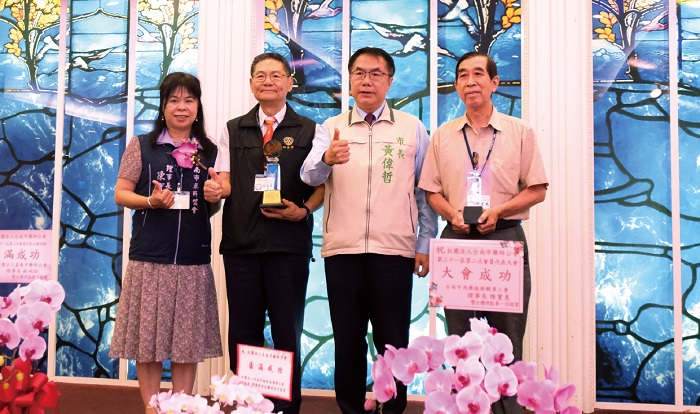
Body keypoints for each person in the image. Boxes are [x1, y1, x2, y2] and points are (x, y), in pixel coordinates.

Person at [301, 47, 438, 414]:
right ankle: (350, 409)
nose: (367, 80)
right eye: (359, 73)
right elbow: (308, 176)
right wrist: (326, 159)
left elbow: (425, 190)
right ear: (349, 81)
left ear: (389, 81)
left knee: (393, 343)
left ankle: (392, 409)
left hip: (394, 250)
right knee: (347, 340)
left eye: (376, 73)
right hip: (343, 250)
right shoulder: (331, 127)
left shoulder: (412, 127)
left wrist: (425, 243)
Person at [418, 51, 548, 414]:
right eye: (463, 75)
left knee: (506, 342)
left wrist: (500, 211)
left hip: (503, 239)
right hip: (457, 240)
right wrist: (452, 215)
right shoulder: (443, 136)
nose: (470, 81)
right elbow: (431, 192)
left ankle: (508, 410)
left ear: (494, 83)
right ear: (457, 85)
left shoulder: (520, 132)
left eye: (478, 74)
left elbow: (538, 189)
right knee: (461, 342)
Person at [203, 52, 324, 414]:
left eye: (276, 75)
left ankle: (285, 409)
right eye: (260, 75)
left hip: (288, 245)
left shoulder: (310, 130)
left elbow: (321, 186)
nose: (268, 81)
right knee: (243, 333)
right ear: (251, 83)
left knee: (287, 332)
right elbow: (225, 181)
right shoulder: (233, 129)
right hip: (242, 243)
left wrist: (303, 211)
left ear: (290, 83)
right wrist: (216, 190)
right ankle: (249, 406)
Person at [110, 72, 222, 414]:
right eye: (174, 100)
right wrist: (150, 201)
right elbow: (121, 193)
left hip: (192, 259)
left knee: (187, 345)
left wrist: (215, 197)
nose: (181, 107)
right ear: (163, 105)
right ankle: (152, 408)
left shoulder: (210, 151)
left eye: (189, 100)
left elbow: (211, 205)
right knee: (149, 343)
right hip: (150, 258)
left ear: (198, 106)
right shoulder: (142, 146)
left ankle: (181, 408)